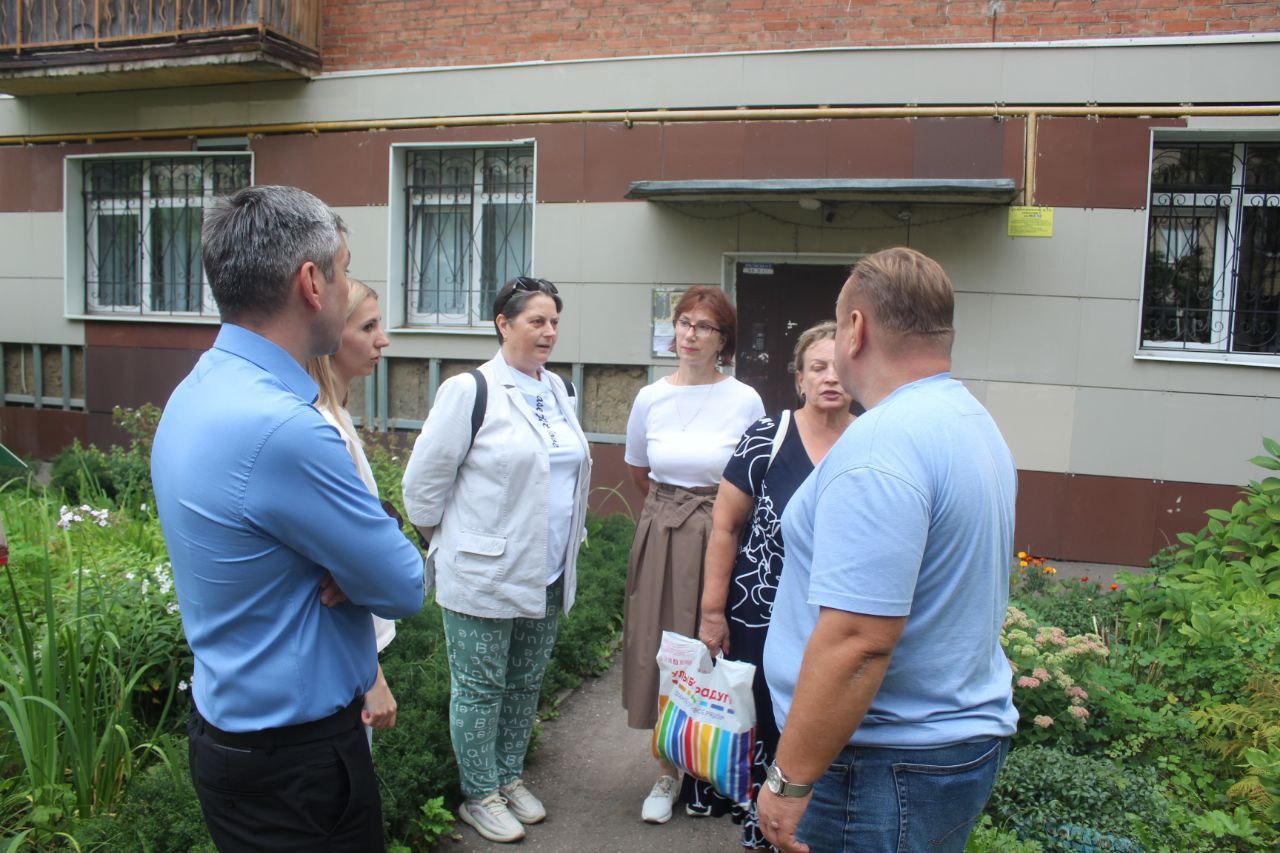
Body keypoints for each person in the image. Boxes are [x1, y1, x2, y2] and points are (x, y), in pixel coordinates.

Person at [151, 185, 425, 852]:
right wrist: (360, 548)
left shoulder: (199, 388)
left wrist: (349, 546)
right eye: (343, 267)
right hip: (298, 769)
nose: (347, 285)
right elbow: (403, 584)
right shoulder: (283, 429)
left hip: (233, 738)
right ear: (311, 281)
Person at [757, 248, 1019, 853]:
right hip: (936, 751)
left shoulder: (879, 446)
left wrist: (788, 781)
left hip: (878, 767)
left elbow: (857, 640)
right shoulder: (969, 419)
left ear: (856, 329)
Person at [402, 276, 591, 844]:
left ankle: (508, 776)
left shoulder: (558, 390)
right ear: (503, 324)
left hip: (548, 569)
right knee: (481, 687)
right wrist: (458, 543)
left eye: (554, 321)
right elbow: (422, 488)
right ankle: (478, 793)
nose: (549, 331)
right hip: (483, 572)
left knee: (524, 682)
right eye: (536, 320)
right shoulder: (470, 391)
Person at [695, 320, 854, 846]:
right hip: (758, 612)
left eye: (840, 367)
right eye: (818, 367)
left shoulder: (872, 440)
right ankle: (762, 827)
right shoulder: (769, 435)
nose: (830, 378)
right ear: (800, 380)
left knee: (823, 718)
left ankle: (817, 823)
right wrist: (712, 613)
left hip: (838, 614)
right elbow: (725, 526)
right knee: (763, 721)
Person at [622, 284, 764, 825]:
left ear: (723, 339)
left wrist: (706, 515)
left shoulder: (744, 399)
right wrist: (671, 513)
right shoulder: (650, 398)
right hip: (661, 531)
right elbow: (640, 470)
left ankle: (712, 767)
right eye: (684, 322)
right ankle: (665, 769)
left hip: (720, 530)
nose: (690, 334)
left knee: (714, 645)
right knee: (660, 648)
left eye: (704, 326)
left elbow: (752, 476)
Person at [305, 279, 398, 744]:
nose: (383, 339)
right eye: (368, 327)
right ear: (329, 335)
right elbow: (343, 567)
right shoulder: (323, 427)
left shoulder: (337, 414)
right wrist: (373, 679)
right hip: (343, 664)